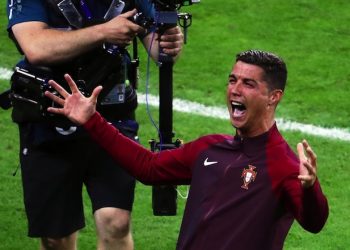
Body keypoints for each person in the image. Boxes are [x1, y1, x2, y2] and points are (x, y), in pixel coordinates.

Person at [46, 49, 329, 250]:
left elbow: (314, 222)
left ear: (273, 97)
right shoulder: (210, 148)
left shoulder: (283, 165)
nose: (235, 90)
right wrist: (92, 121)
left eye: (248, 83)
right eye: (232, 80)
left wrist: (311, 188)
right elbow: (148, 168)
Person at [6, 0, 183, 249]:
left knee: (116, 222)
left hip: (113, 119)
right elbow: (35, 47)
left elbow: (158, 49)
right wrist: (104, 31)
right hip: (49, 118)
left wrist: (169, 42)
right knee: (56, 238)